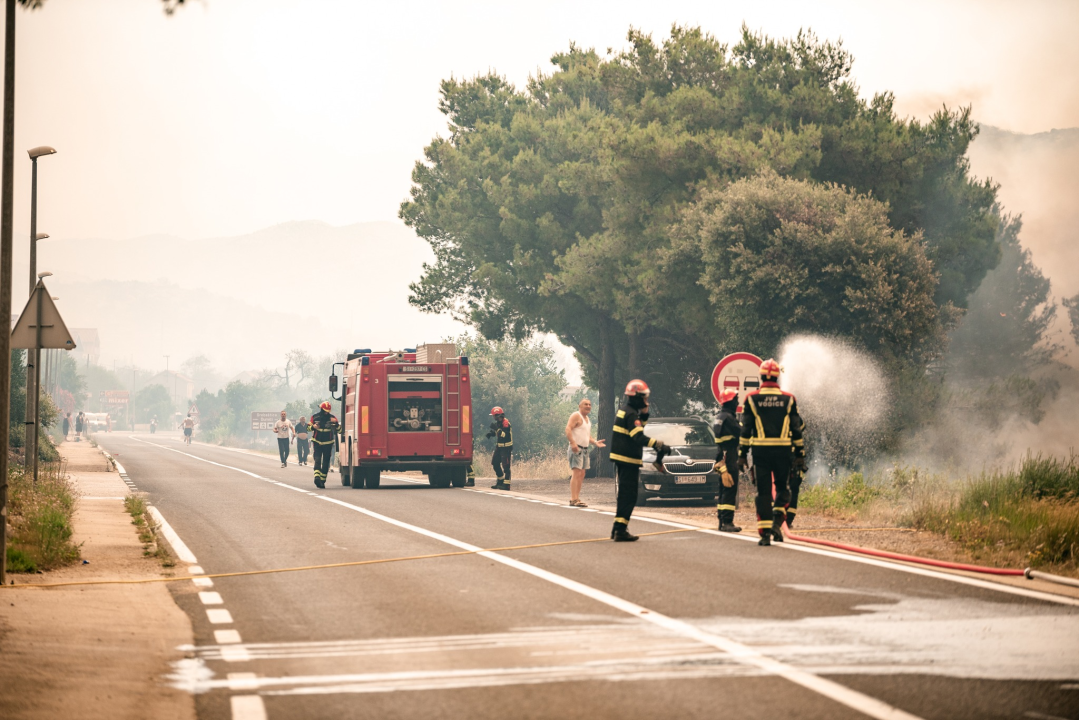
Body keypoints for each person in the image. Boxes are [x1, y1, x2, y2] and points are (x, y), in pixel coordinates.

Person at [738, 359, 805, 547]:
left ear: (761, 377)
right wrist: (800, 455)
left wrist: (742, 454)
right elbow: (796, 430)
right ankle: (777, 523)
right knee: (784, 490)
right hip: (783, 452)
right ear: (777, 376)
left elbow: (746, 430)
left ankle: (765, 534)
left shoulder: (751, 399)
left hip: (760, 453)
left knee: (764, 493)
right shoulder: (789, 399)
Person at [608, 379, 670, 542]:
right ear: (636, 397)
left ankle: (618, 527)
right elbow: (638, 436)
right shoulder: (630, 414)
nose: (646, 401)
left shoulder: (626, 411)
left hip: (624, 459)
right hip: (628, 460)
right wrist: (658, 444)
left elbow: (638, 427)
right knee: (629, 496)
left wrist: (645, 413)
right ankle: (621, 530)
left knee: (625, 495)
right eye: (644, 398)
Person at [565, 398, 605, 507]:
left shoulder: (587, 419)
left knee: (582, 474)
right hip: (576, 448)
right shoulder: (576, 415)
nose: (588, 406)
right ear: (580, 406)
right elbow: (568, 429)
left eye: (589, 404)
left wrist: (595, 442)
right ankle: (573, 499)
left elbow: (588, 436)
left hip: (585, 449)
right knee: (576, 472)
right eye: (585, 404)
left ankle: (577, 498)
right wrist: (573, 443)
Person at [713, 388, 742, 533]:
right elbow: (741, 432)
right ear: (730, 402)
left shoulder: (720, 417)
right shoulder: (729, 419)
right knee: (730, 489)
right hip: (728, 457)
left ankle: (721, 521)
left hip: (721, 456)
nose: (737, 402)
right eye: (735, 399)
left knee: (723, 489)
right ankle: (727, 522)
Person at [310, 401, 340, 489]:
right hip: (317, 443)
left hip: (328, 444)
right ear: (321, 409)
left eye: (328, 411)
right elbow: (308, 427)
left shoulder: (332, 418)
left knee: (326, 463)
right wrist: (313, 427)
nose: (326, 413)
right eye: (325, 411)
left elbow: (340, 430)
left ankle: (322, 480)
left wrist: (336, 424)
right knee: (318, 460)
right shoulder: (315, 417)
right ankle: (317, 478)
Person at [486, 407, 513, 490]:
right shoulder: (498, 422)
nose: (493, 417)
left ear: (498, 415)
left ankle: (506, 485)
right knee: (495, 463)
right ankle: (500, 481)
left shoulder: (506, 423)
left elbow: (505, 435)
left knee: (506, 466)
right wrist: (492, 434)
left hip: (506, 448)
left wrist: (496, 429)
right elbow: (498, 432)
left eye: (494, 415)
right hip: (499, 446)